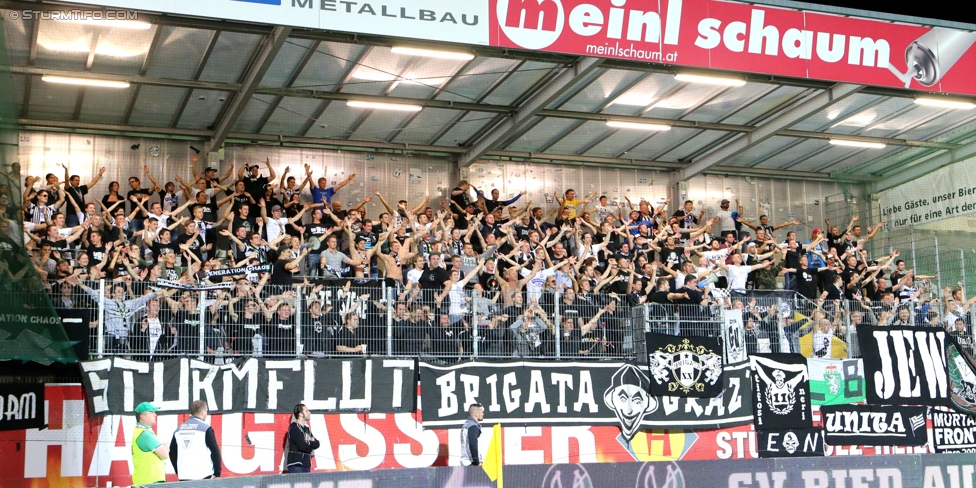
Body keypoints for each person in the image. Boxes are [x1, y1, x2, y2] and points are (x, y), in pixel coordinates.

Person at [169, 400, 222, 480]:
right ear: (203, 412)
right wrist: (217, 473)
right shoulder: (206, 429)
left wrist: (179, 471)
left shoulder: (178, 430)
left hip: (184, 476)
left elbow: (172, 453)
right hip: (203, 475)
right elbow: (215, 451)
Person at [131, 402, 168, 485]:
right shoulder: (145, 434)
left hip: (146, 480)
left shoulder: (141, 432)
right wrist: (165, 447)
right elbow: (165, 454)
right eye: (151, 412)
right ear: (142, 416)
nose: (155, 415)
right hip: (150, 481)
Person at [285, 403, 320, 473]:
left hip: (306, 464)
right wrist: (310, 442)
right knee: (298, 483)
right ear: (300, 414)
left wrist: (309, 442)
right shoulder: (294, 427)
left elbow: (317, 444)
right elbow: (303, 446)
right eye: (307, 411)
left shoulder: (306, 428)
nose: (309, 413)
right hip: (297, 464)